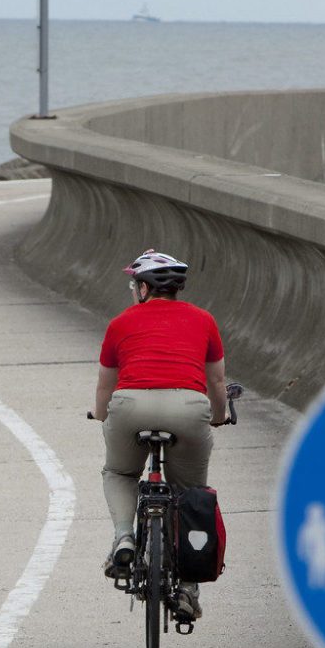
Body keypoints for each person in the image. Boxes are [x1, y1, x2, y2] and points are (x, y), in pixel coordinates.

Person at [91, 250, 232, 622]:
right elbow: (216, 381)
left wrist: (102, 416)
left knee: (120, 473)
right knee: (189, 495)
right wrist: (218, 417)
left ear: (142, 287)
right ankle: (187, 587)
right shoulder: (204, 320)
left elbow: (105, 388)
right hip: (188, 408)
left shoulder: (120, 323)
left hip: (130, 405)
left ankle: (124, 537)